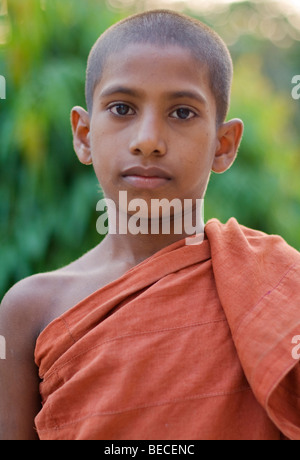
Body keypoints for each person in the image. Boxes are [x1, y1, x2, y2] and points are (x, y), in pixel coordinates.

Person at [0, 9, 299, 441]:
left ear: (225, 144)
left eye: (181, 113)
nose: (148, 139)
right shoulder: (31, 310)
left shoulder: (278, 288)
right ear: (83, 134)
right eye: (122, 108)